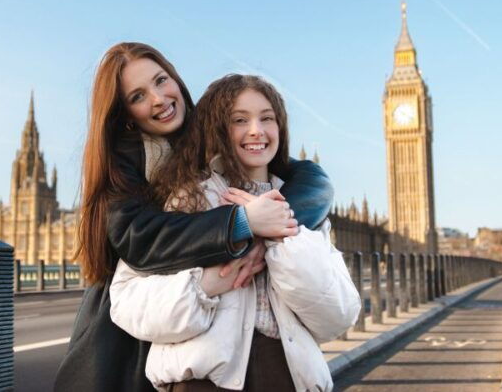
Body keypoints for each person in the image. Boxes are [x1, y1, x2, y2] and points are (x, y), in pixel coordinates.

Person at [53, 43, 334, 392]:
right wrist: (242, 224)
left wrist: (272, 226)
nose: (158, 98)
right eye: (139, 96)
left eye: (161, 80)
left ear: (176, 79)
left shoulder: (210, 132)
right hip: (134, 328)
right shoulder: (125, 158)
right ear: (126, 114)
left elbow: (313, 181)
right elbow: (140, 238)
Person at [109, 74, 360, 391]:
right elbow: (128, 303)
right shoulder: (189, 198)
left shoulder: (303, 208)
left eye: (267, 118)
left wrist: (279, 237)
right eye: (239, 120)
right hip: (202, 382)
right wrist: (207, 285)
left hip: (286, 377)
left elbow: (337, 316)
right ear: (217, 130)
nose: (256, 129)